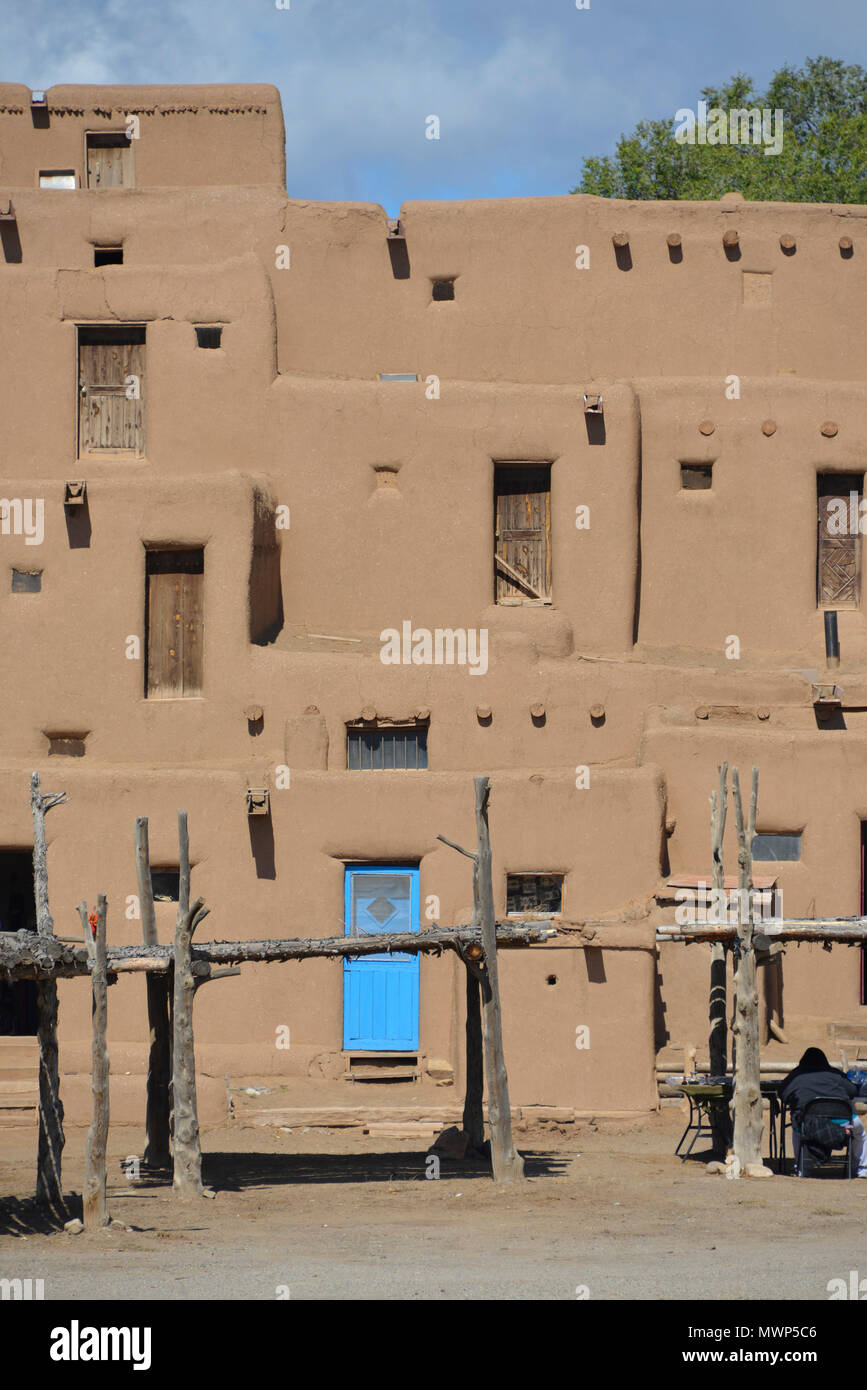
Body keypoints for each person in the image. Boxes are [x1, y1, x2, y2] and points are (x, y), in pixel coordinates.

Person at [779, 1047, 867, 1178]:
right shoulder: (835, 1074)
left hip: (808, 1126)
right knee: (860, 1132)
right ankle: (861, 1169)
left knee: (797, 1129)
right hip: (844, 1125)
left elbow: (782, 1094)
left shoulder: (796, 1076)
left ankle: (802, 1168)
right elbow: (853, 1091)